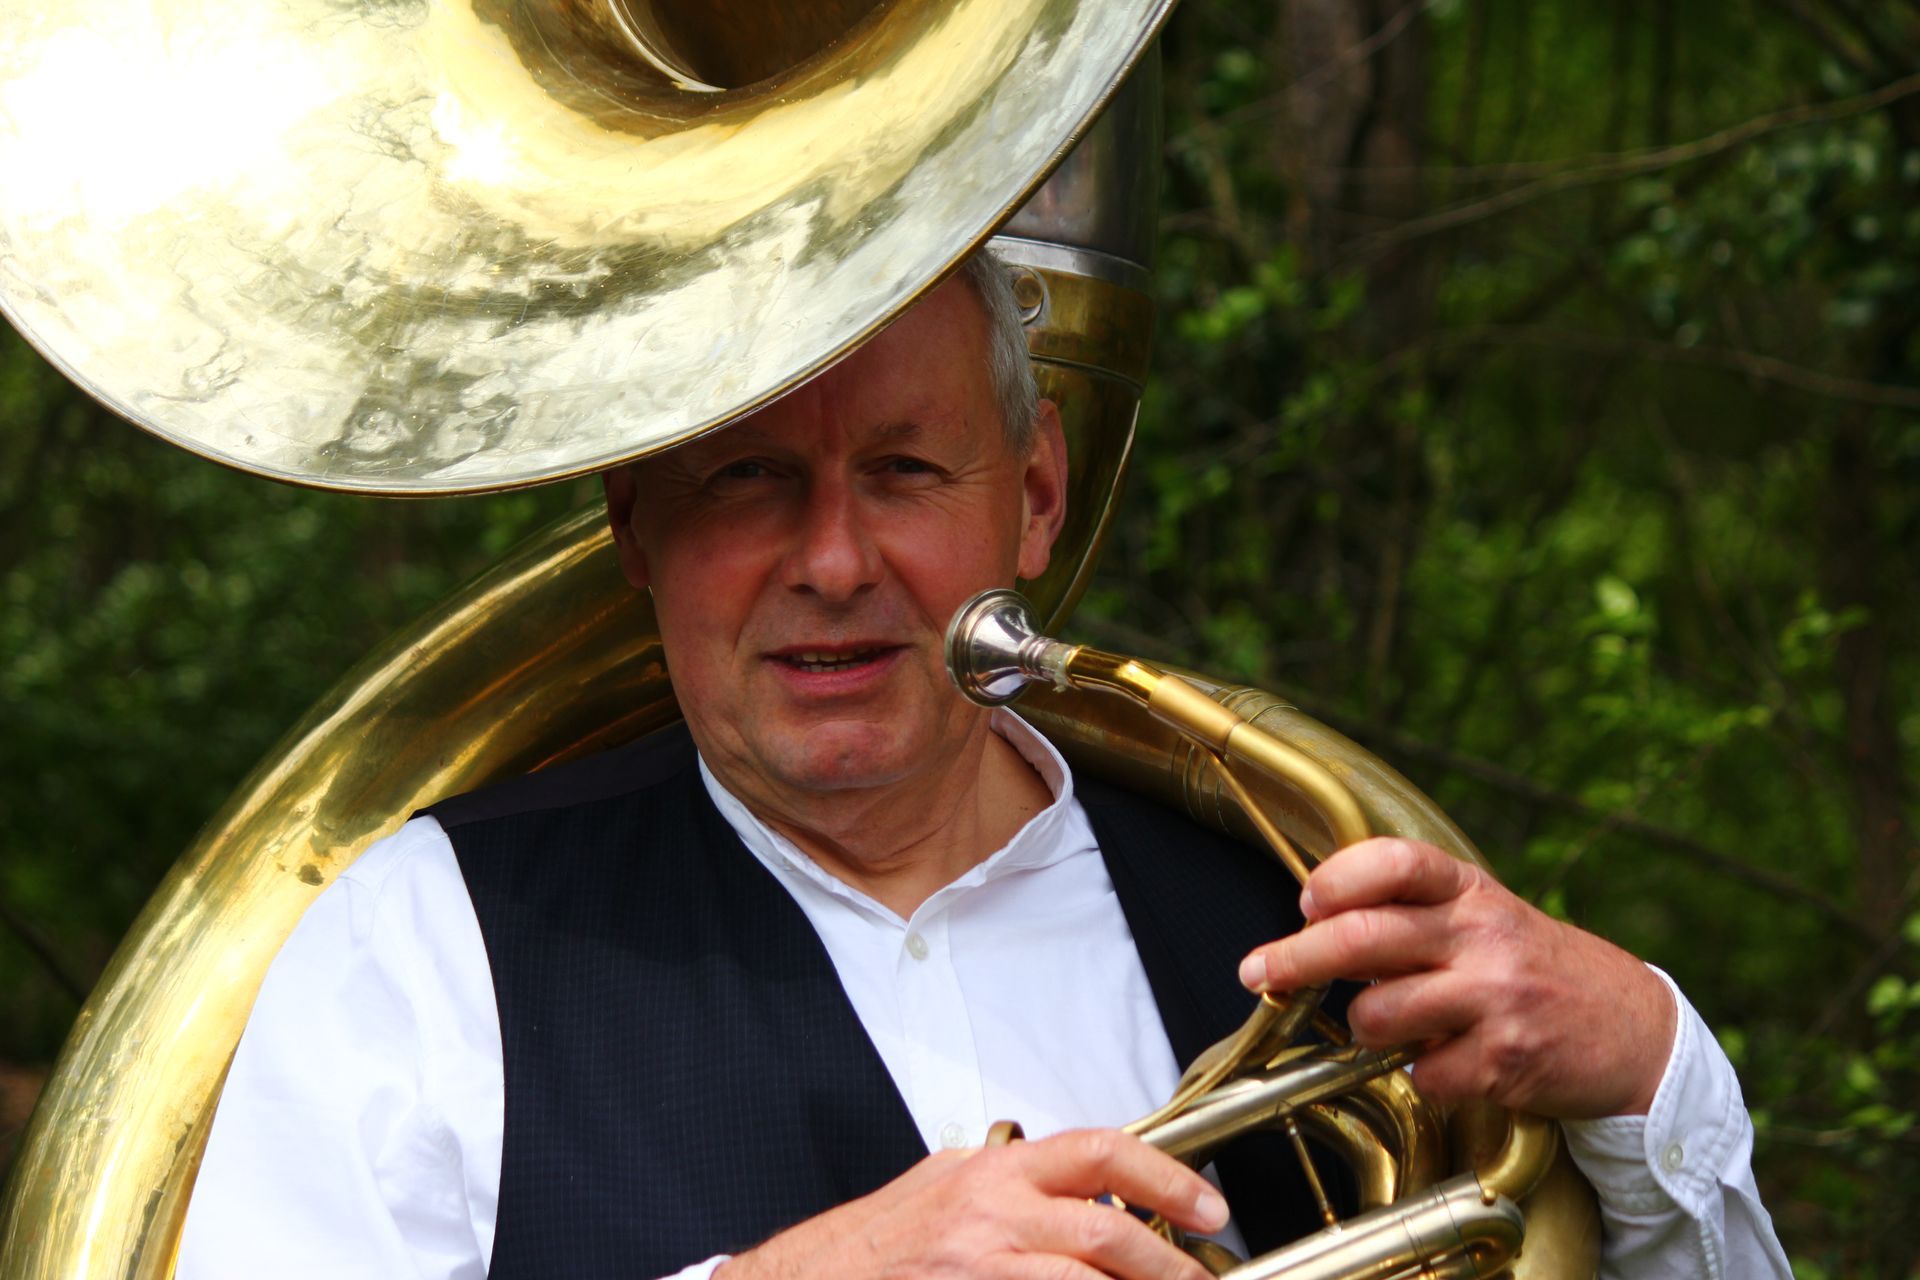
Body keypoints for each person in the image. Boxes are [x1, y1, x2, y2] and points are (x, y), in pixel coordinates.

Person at [179, 254, 1790, 1280]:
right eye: (748, 481)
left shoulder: (1293, 904)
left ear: (1033, 497)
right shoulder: (422, 943)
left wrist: (1647, 1057)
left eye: (904, 470)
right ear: (634, 529)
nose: (833, 561)